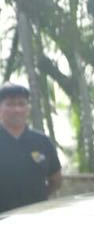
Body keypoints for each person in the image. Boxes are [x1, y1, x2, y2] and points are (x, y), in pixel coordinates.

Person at [0, 82, 62, 213]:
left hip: (35, 219)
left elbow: (56, 180)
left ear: (28, 108)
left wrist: (37, 199)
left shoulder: (42, 142)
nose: (17, 109)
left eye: (21, 104)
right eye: (10, 104)